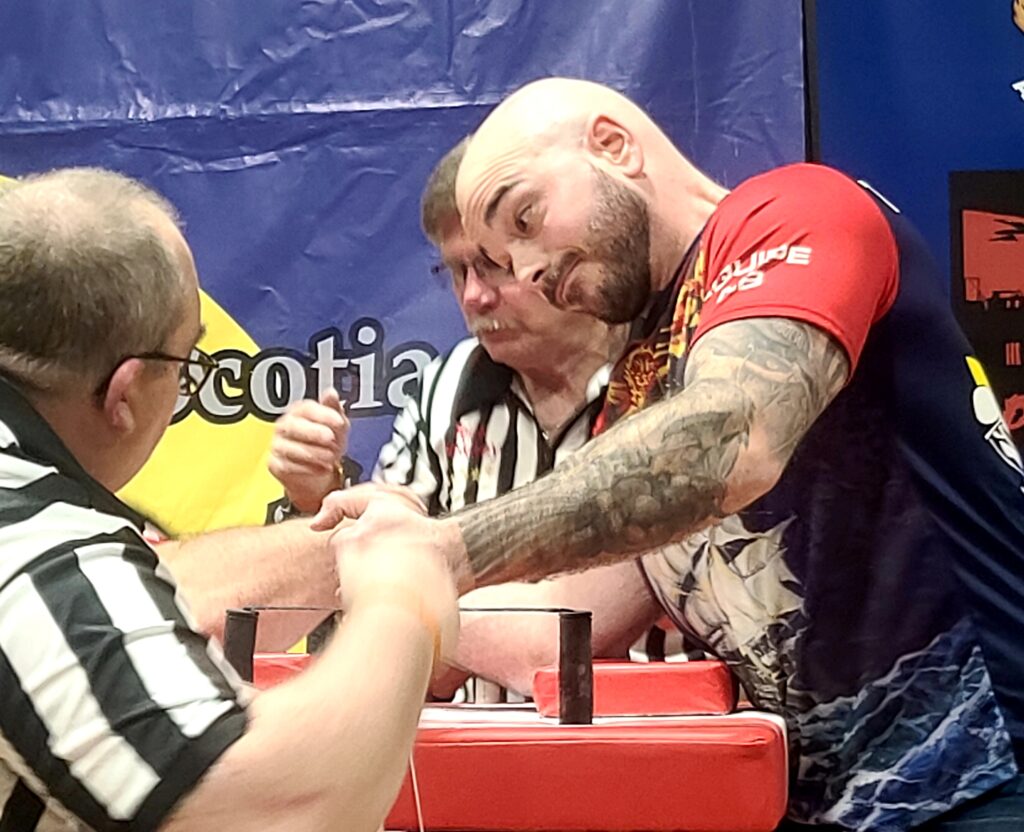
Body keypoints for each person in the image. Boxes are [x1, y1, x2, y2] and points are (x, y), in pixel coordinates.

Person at [318, 78, 1024, 830]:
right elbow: (563, 621)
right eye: (497, 258)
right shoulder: (642, 381)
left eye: (524, 218)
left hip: (990, 777)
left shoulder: (797, 211)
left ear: (614, 146)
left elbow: (730, 438)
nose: (524, 271)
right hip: (833, 805)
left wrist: (448, 550)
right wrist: (376, 577)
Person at [0, 168, 458, 831]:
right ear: (125, 394)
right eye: (186, 366)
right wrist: (404, 602)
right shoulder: (41, 549)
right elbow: (276, 810)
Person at [269, 139, 668, 691]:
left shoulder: (668, 377)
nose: (475, 297)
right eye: (457, 272)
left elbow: (558, 639)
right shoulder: (445, 388)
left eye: (494, 267)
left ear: (556, 254)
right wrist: (318, 498)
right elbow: (386, 636)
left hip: (649, 727)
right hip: (475, 733)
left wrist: (407, 601)